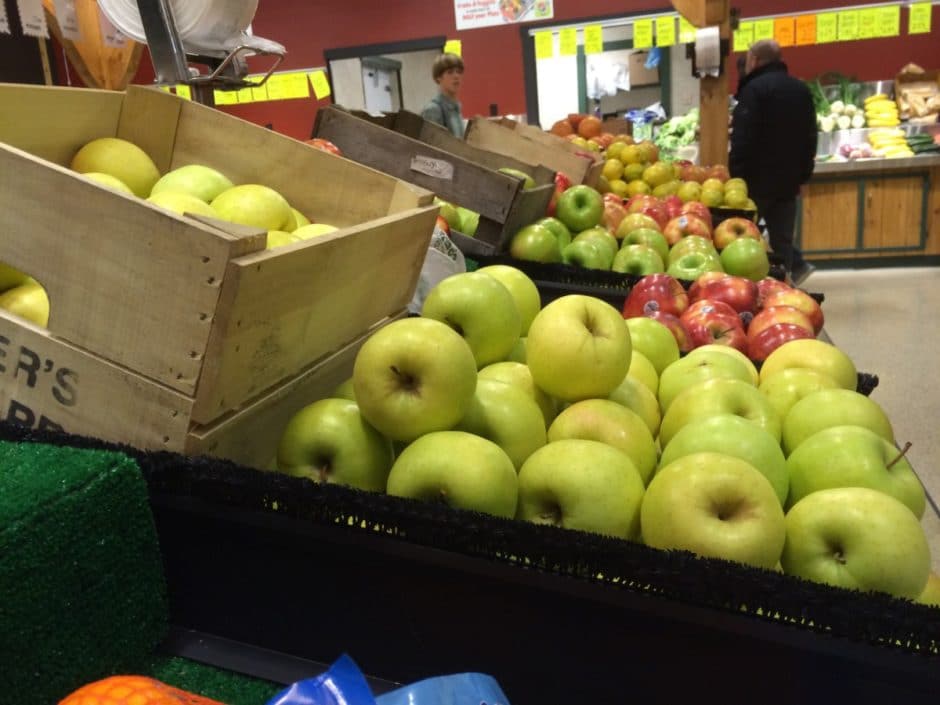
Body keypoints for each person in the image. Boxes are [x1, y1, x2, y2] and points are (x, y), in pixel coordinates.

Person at [730, 39, 817, 285]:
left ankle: (749, 286)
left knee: (746, 241)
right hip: (788, 182)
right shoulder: (800, 89)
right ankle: (783, 287)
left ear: (755, 60)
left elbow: (743, 139)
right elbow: (811, 135)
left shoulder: (754, 90)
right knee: (783, 241)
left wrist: (737, 177)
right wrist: (803, 173)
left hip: (756, 181)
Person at [421, 53, 465, 138]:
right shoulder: (433, 110)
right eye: (450, 72)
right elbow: (430, 147)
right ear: (438, 77)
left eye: (459, 72)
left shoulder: (456, 108)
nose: (456, 76)